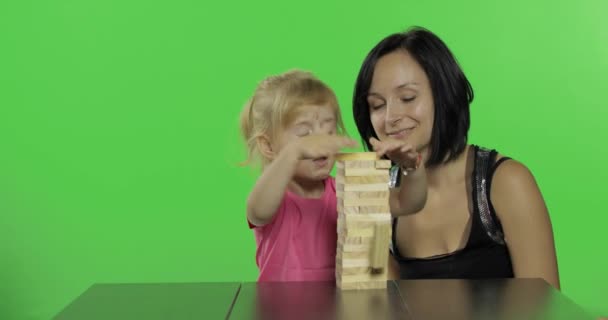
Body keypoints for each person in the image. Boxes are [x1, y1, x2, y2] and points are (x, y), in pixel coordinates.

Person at [352, 27, 560, 289]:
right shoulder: (380, 197)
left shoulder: (507, 183)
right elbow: (381, 308)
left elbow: (545, 309)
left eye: (407, 97)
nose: (391, 117)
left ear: (444, 93)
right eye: (377, 105)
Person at [240, 69, 426, 282]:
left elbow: (408, 203)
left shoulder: (345, 190)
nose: (320, 143)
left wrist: (412, 168)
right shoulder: (273, 199)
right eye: (304, 134)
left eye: (329, 132)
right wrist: (294, 152)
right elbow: (257, 212)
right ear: (268, 146)